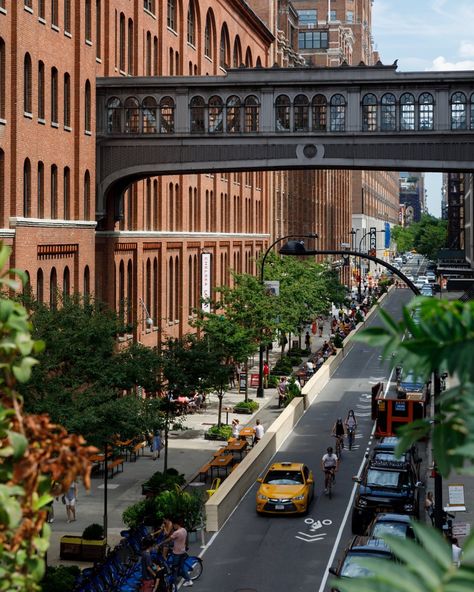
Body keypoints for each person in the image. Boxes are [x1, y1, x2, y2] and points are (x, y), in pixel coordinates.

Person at [169, 518, 193, 587]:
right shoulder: (184, 530)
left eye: (173, 525)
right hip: (183, 551)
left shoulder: (176, 532)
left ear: (176, 524)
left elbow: (170, 538)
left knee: (175, 568)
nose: (173, 526)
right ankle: (189, 580)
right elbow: (186, 539)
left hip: (177, 553)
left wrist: (161, 543)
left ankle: (173, 584)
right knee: (181, 568)